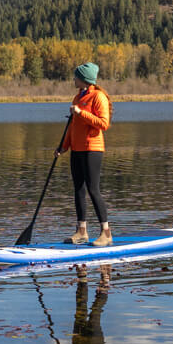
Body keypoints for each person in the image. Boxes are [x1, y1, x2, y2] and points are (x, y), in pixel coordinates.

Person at [59, 61, 111, 247]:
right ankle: (81, 231)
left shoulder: (98, 97)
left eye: (76, 76)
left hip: (93, 149)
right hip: (77, 149)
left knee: (93, 189)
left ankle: (106, 233)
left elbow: (103, 124)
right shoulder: (77, 98)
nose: (74, 79)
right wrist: (64, 146)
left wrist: (81, 113)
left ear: (84, 79)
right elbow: (73, 127)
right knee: (78, 190)